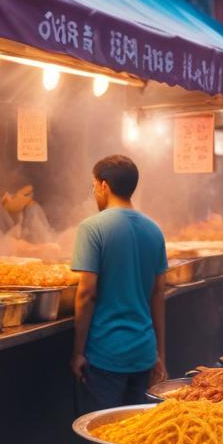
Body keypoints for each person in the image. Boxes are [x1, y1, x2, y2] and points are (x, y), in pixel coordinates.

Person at [70, 155, 169, 413]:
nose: (94, 193)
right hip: (144, 354)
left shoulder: (92, 228)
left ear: (104, 185)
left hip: (106, 355)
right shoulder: (154, 230)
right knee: (133, 435)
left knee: (100, 434)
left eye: (93, 186)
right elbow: (158, 295)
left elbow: (86, 293)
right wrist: (160, 354)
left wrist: (78, 352)